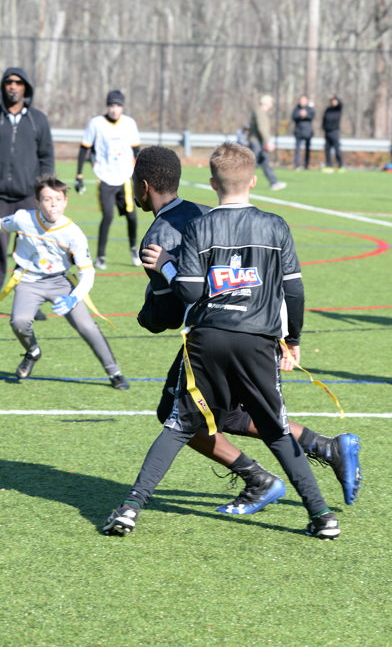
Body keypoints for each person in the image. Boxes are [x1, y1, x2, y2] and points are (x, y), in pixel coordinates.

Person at [103, 143, 359, 540]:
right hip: (258, 336)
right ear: (253, 181)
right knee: (266, 427)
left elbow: (186, 294)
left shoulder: (193, 229)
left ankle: (133, 506)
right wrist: (290, 338)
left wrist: (163, 277)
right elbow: (292, 290)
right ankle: (322, 510)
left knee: (178, 422)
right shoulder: (268, 223)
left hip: (208, 338)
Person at [0, 175, 129, 390]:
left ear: (66, 202)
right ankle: (33, 351)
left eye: (58, 199)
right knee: (19, 322)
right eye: (47, 199)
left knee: (87, 327)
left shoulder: (73, 233)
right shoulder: (22, 218)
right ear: (37, 202)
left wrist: (73, 298)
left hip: (61, 282)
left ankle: (114, 372)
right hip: (29, 280)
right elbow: (3, 225)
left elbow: (87, 272)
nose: (53, 204)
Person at [0, 67, 54, 309]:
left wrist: (44, 192)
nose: (13, 86)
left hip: (28, 198)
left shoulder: (37, 120)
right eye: (9, 82)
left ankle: (28, 304)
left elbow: (46, 157)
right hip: (1, 200)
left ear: (26, 88)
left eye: (18, 82)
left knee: (30, 254)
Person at [75, 90, 141, 270]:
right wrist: (79, 175)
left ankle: (134, 250)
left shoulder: (129, 123)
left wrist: (140, 176)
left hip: (125, 177)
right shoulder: (96, 123)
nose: (114, 109)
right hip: (105, 177)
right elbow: (84, 148)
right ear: (107, 106)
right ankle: (101, 257)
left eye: (118, 105)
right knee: (108, 216)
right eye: (111, 105)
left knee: (132, 216)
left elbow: (136, 151)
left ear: (122, 107)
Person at [248, 95, 286, 191]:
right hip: (256, 142)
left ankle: (274, 182)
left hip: (260, 142)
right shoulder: (260, 112)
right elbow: (262, 128)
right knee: (251, 164)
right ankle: (237, 181)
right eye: (271, 102)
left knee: (264, 162)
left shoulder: (261, 112)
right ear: (266, 103)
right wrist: (268, 142)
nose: (272, 104)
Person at [291, 94, 315, 170]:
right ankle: (297, 165)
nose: (302, 101)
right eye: (301, 100)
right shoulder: (296, 108)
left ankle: (306, 164)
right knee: (297, 149)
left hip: (308, 131)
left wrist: (306, 115)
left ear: (307, 101)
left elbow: (312, 116)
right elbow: (293, 117)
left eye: (304, 100)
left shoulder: (310, 109)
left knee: (307, 149)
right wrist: (300, 114)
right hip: (298, 131)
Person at [322, 95, 344, 172]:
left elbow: (341, 104)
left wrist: (334, 97)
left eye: (335, 101)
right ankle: (329, 165)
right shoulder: (328, 109)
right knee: (327, 150)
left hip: (334, 131)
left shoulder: (338, 109)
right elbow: (324, 119)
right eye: (332, 101)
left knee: (337, 149)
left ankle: (340, 165)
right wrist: (324, 127)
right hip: (327, 131)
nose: (334, 102)